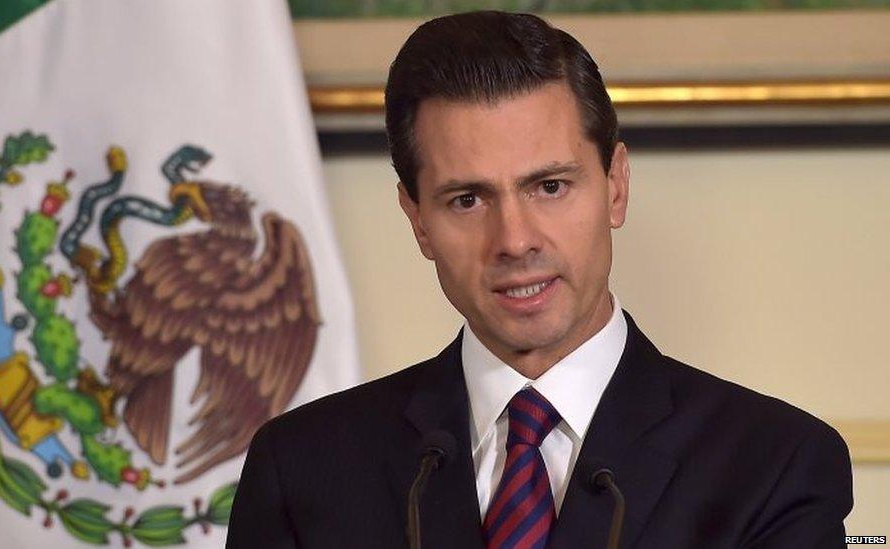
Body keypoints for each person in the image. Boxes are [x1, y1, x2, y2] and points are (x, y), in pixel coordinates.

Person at [226, 11, 853, 549]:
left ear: (615, 185)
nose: (515, 240)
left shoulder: (774, 465)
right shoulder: (304, 467)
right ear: (417, 221)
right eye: (467, 200)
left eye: (549, 187)